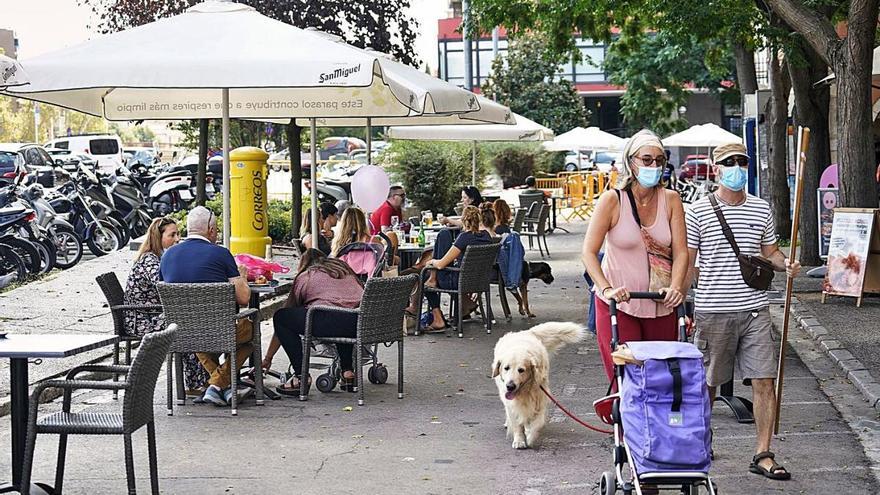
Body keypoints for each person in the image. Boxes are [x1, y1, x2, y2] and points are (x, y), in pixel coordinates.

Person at [685, 142, 800, 481]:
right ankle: (700, 442)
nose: (736, 168)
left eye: (742, 162)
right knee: (707, 383)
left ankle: (763, 453)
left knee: (764, 380)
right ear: (716, 169)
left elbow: (770, 252)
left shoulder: (761, 209)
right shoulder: (698, 211)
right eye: (729, 162)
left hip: (754, 310)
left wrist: (785, 264)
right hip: (713, 311)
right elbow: (688, 262)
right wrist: (685, 302)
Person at [581, 129, 688, 381]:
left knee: (661, 378)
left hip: (661, 302)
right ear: (631, 163)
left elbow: (681, 251)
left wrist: (676, 287)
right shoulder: (612, 200)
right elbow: (588, 252)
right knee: (626, 378)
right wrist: (607, 289)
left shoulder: (671, 200)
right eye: (646, 160)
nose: (654, 166)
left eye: (659, 161)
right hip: (620, 303)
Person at [159, 206, 252, 407]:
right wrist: (242, 277)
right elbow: (244, 299)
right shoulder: (221, 254)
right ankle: (218, 384)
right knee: (250, 334)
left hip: (183, 331)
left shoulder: (167, 256)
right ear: (210, 230)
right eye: (216, 230)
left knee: (196, 334)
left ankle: (220, 386)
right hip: (222, 330)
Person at [123, 217, 210, 394]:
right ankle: (199, 382)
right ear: (158, 237)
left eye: (178, 234)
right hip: (143, 320)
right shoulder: (149, 260)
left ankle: (208, 379)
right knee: (189, 324)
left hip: (157, 314)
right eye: (172, 235)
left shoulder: (161, 257)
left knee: (196, 322)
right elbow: (167, 287)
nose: (178, 239)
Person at [271, 249, 363, 394]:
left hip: (328, 321)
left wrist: (268, 358)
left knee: (282, 317)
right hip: (357, 322)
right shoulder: (345, 271)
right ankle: (347, 371)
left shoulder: (307, 275)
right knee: (342, 312)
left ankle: (301, 376)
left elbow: (289, 308)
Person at [419, 206, 492, 331]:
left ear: (463, 220)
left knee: (424, 278)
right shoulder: (486, 236)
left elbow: (441, 264)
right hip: (478, 281)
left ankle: (438, 319)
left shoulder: (464, 237)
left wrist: (431, 262)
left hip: (458, 281)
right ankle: (465, 303)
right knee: (444, 237)